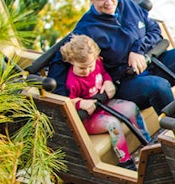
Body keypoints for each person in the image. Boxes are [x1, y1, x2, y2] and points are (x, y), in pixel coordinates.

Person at [52, 0, 175, 115]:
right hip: (125, 82)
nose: (108, 2)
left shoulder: (129, 6)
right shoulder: (86, 28)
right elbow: (61, 58)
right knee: (159, 86)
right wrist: (66, 101)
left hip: (153, 62)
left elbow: (154, 30)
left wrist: (137, 50)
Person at [59, 34, 150, 170]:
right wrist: (80, 102)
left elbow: (103, 73)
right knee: (113, 124)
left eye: (90, 66)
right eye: (82, 68)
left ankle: (148, 146)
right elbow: (68, 101)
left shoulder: (97, 63)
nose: (87, 71)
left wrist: (108, 81)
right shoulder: (73, 81)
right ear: (72, 62)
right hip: (88, 117)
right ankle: (125, 162)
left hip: (102, 103)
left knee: (131, 108)